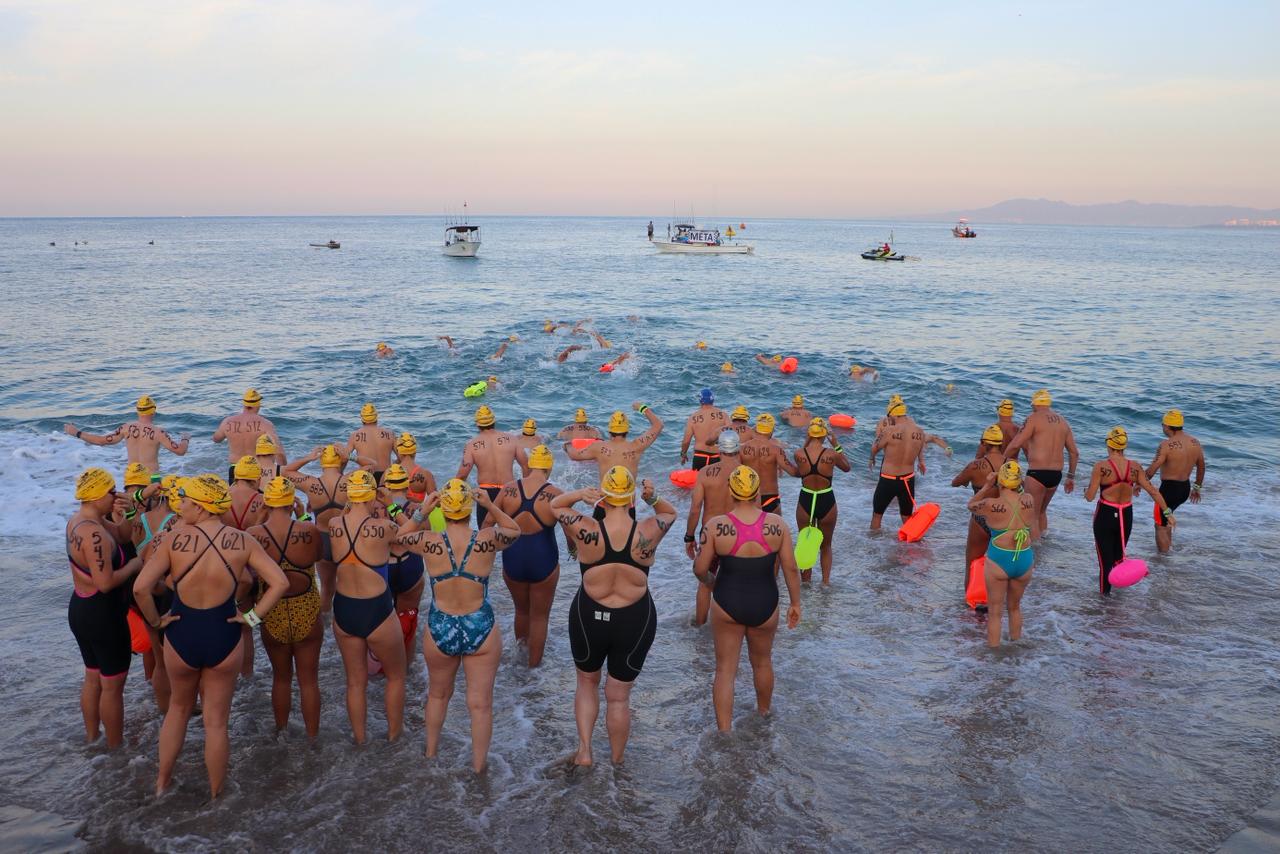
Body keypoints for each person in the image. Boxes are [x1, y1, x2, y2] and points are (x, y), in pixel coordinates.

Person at [132, 473, 288, 797]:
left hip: (182, 631)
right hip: (224, 632)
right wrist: (252, 618)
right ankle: (217, 795)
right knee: (216, 722)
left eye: (187, 500)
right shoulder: (243, 540)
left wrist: (156, 621)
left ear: (202, 506)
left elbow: (141, 587)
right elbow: (280, 583)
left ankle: (162, 784)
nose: (182, 505)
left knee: (177, 710)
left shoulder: (173, 538)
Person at [551, 468, 676, 766]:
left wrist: (581, 495)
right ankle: (617, 762)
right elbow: (670, 513)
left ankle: (584, 751)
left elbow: (555, 506)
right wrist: (653, 496)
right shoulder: (648, 529)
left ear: (603, 498)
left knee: (586, 682)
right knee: (619, 697)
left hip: (589, 617)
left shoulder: (586, 528)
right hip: (634, 620)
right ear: (631, 497)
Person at [396, 480, 519, 771]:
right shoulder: (486, 538)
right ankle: (478, 768)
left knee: (438, 695)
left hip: (442, 626)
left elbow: (401, 537)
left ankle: (430, 754)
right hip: (481, 626)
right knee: (480, 704)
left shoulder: (429, 540)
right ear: (467, 508)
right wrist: (490, 505)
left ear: (444, 509)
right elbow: (515, 530)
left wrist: (422, 511)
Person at [693, 466, 802, 729]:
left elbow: (699, 569)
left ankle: (725, 732)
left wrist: (713, 582)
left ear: (731, 490)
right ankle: (764, 715)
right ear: (758, 493)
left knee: (725, 671)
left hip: (727, 602)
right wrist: (796, 603)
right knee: (763, 663)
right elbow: (790, 567)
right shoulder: (777, 525)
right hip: (766, 603)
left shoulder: (716, 526)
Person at [327, 470, 407, 743]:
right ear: (373, 493)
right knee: (396, 676)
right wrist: (393, 505)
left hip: (344, 609)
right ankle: (394, 738)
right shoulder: (384, 527)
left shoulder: (335, 524)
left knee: (355, 682)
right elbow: (410, 533)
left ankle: (360, 741)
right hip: (378, 610)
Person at [66, 468, 142, 748]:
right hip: (103, 614)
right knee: (112, 685)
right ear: (97, 494)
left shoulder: (81, 521)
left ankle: (92, 738)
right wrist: (135, 565)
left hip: (82, 609)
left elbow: (122, 537)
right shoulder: (93, 534)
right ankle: (114, 749)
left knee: (93, 677)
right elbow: (106, 582)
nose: (115, 495)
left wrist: (127, 512)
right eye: (111, 492)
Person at [248, 477, 324, 737]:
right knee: (309, 680)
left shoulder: (253, 535)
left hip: (272, 611)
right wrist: (302, 518)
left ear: (267, 503)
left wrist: (259, 520)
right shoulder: (309, 531)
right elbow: (316, 557)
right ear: (292, 502)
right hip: (307, 608)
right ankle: (312, 738)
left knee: (280, 679)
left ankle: (280, 734)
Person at [495, 445, 566, 667]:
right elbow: (570, 530)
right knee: (539, 617)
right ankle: (534, 668)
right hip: (543, 559)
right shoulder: (556, 494)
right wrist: (574, 549)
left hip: (512, 557)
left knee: (521, 611)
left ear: (529, 465)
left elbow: (488, 523)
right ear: (549, 467)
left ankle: (519, 656)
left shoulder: (508, 489)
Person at [1085, 428, 1174, 596]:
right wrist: (1167, 512)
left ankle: (1105, 603)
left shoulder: (1100, 466)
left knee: (1105, 563)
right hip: (1126, 515)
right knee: (1119, 557)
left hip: (1105, 514)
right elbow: (1153, 491)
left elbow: (1090, 497)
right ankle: (1118, 598)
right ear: (1124, 447)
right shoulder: (1135, 467)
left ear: (1108, 445)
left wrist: (1086, 491)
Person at [967, 462, 1037, 646]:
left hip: (999, 559)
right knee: (1014, 608)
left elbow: (971, 505)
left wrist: (987, 485)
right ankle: (1015, 651)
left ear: (1001, 482)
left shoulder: (991, 504)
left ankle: (995, 658)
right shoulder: (1029, 499)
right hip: (1024, 558)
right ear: (1020, 480)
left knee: (995, 612)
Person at [282, 444, 358, 612]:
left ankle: (325, 629)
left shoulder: (311, 484)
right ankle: (345, 626)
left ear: (321, 463)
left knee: (327, 589)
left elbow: (285, 472)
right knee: (350, 588)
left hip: (322, 540)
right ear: (340, 461)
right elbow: (372, 466)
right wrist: (351, 456)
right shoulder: (350, 480)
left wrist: (309, 457)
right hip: (345, 539)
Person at [684, 429, 743, 625]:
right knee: (735, 582)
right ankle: (732, 624)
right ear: (737, 449)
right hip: (736, 533)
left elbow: (695, 509)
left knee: (704, 583)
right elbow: (757, 510)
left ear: (719, 450)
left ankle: (700, 626)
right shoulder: (747, 473)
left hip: (709, 534)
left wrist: (689, 537)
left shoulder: (704, 473)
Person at [1004, 389, 1079, 537]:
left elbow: (1015, 444)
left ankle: (1036, 552)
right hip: (1056, 475)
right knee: (1042, 512)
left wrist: (1002, 462)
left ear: (1035, 404)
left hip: (1037, 474)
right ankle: (1044, 546)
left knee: (1032, 516)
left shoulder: (1033, 418)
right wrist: (1070, 477)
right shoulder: (1063, 421)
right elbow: (1074, 453)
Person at [952, 425, 1011, 595]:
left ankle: (970, 604)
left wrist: (975, 466)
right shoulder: (1011, 465)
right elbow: (1019, 489)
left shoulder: (975, 466)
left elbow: (955, 482)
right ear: (1002, 443)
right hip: (1003, 519)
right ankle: (997, 602)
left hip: (980, 518)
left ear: (983, 443)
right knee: (1000, 565)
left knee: (972, 563)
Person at [64, 395, 190, 472]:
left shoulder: (125, 428)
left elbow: (101, 441)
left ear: (138, 411)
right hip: (151, 479)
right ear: (153, 411)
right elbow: (180, 451)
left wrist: (76, 432)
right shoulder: (159, 432)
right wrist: (185, 439)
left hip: (131, 477)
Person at [795, 418, 850, 582]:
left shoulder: (799, 454)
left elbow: (802, 457)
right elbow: (847, 467)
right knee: (826, 546)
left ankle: (805, 584)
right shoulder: (831, 454)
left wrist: (807, 440)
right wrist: (836, 444)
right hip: (826, 499)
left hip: (806, 499)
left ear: (810, 433)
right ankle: (825, 583)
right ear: (824, 434)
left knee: (806, 545)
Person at [1145, 409, 1205, 554]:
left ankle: (1163, 560)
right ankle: (1169, 555)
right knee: (1166, 519)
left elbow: (1152, 469)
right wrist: (1196, 488)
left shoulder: (1166, 445)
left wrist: (1139, 482)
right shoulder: (1195, 442)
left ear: (1167, 426)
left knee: (1159, 524)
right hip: (1184, 488)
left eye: (1163, 425)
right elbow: (1202, 466)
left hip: (1168, 490)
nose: (1162, 427)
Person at [456, 405, 527, 526]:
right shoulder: (512, 439)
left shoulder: (472, 445)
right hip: (509, 491)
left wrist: (454, 494)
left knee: (485, 534)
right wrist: (524, 491)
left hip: (485, 493)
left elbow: (462, 475)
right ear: (494, 421)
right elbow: (526, 466)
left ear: (477, 424)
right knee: (511, 532)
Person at [380, 464, 425, 654]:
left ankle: (385, 665)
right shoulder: (417, 508)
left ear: (386, 485)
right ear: (408, 485)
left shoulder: (374, 509)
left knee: (382, 621)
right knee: (408, 620)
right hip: (410, 566)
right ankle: (408, 668)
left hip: (384, 568)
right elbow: (426, 540)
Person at [869, 398, 926, 531]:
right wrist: (921, 461)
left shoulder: (889, 430)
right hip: (908, 479)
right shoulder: (920, 431)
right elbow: (920, 448)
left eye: (889, 417)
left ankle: (872, 547)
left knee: (877, 515)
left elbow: (875, 448)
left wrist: (872, 458)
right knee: (906, 517)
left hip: (888, 479)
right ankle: (909, 546)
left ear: (893, 415)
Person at [564, 403, 663, 477]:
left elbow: (574, 455)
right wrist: (642, 408)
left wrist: (568, 445)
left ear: (609, 431)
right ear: (627, 430)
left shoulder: (598, 447)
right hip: (629, 501)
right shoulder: (637, 446)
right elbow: (658, 425)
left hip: (606, 501)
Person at [211, 389, 284, 479]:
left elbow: (216, 439)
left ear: (244, 404)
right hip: (256, 469)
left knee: (236, 493)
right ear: (258, 405)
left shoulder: (227, 422)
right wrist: (281, 473)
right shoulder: (266, 424)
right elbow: (279, 452)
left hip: (236, 468)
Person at [741, 412, 797, 514]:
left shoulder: (742, 448)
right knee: (774, 529)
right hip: (770, 498)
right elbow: (793, 472)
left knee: (749, 530)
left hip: (748, 497)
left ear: (756, 429)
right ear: (771, 430)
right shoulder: (776, 450)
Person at [344, 403, 396, 481]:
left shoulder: (354, 436)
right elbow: (402, 458)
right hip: (386, 476)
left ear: (362, 418)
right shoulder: (390, 434)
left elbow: (344, 457)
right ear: (376, 417)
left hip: (367, 475)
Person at [680, 388, 728, 470]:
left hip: (700, 456)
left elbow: (686, 441)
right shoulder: (723, 415)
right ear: (713, 400)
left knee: (699, 482)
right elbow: (732, 434)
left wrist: (683, 454)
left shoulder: (693, 417)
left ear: (700, 401)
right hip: (718, 456)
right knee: (717, 482)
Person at [393, 432, 437, 503]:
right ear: (415, 451)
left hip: (394, 512)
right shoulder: (426, 474)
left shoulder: (389, 473)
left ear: (398, 451)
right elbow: (436, 502)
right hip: (417, 513)